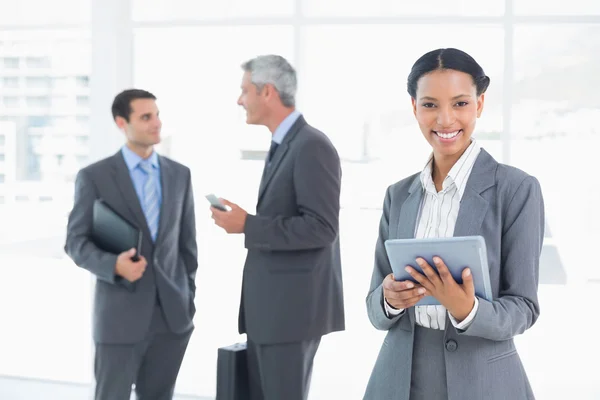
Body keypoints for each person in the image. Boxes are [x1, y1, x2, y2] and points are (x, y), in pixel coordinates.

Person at [363, 48, 544, 400]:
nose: (445, 120)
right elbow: (374, 305)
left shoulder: (516, 190)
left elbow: (524, 307)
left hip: (484, 380)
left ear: (479, 104)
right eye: (430, 105)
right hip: (399, 379)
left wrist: (466, 308)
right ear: (415, 108)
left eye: (460, 103)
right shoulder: (398, 195)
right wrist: (389, 299)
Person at [210, 54, 345, 400]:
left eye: (244, 91)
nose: (240, 100)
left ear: (267, 92)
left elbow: (321, 228)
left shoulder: (311, 146)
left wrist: (248, 225)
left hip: (289, 318)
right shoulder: (285, 144)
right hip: (272, 316)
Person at [64, 89, 198, 400]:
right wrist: (113, 265)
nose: (157, 123)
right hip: (119, 318)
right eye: (146, 117)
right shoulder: (95, 176)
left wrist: (188, 297)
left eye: (158, 115)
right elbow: (75, 241)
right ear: (121, 123)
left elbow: (187, 247)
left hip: (172, 319)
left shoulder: (179, 175)